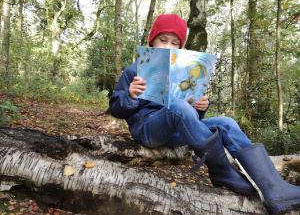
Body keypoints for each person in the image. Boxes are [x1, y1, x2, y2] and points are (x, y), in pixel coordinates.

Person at [109, 14, 300, 214]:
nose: (168, 47)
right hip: (147, 130)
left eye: (175, 43)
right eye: (162, 40)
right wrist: (130, 95)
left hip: (175, 128)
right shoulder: (135, 69)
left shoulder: (183, 69)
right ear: (152, 40)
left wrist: (199, 107)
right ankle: (222, 171)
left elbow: (191, 120)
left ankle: (274, 188)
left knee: (225, 122)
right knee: (179, 108)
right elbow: (116, 108)